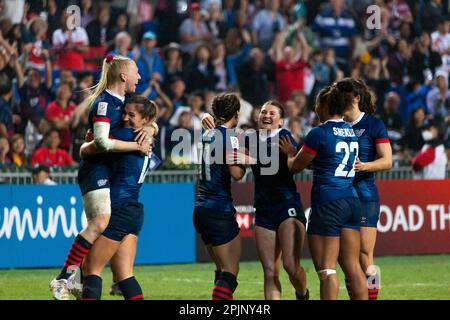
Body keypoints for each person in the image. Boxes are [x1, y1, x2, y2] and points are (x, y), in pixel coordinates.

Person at [49, 55, 150, 300]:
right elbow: (102, 142)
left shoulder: (124, 103)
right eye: (136, 71)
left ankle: (75, 280)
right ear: (123, 75)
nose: (139, 76)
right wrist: (136, 146)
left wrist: (151, 127)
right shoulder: (105, 103)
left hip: (108, 176)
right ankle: (64, 277)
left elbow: (145, 117)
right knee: (100, 223)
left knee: (106, 262)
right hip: (95, 171)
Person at [201, 101, 309, 300]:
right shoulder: (250, 138)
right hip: (264, 210)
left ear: (281, 121)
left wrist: (250, 158)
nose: (266, 115)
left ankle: (302, 294)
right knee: (269, 271)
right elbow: (232, 149)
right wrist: (209, 121)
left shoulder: (284, 136)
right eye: (263, 112)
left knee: (291, 266)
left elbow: (279, 161)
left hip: (287, 205)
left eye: (272, 113)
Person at [280, 83, 368, 300]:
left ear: (325, 106)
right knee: (353, 266)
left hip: (328, 203)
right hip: (351, 201)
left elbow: (295, 167)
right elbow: (327, 161)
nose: (315, 108)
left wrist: (291, 154)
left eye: (317, 104)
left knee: (327, 270)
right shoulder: (350, 131)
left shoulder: (319, 133)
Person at [79, 96, 160, 300]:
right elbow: (154, 160)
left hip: (118, 210)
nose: (124, 118)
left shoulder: (124, 135)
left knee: (90, 268)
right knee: (124, 275)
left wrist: (88, 141)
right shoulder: (145, 140)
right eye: (124, 113)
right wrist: (152, 130)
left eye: (131, 115)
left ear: (145, 120)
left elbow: (95, 145)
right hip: (134, 212)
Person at [340, 78, 392, 300]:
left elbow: (387, 161)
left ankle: (371, 297)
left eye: (343, 93)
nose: (338, 97)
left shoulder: (373, 124)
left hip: (364, 194)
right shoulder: (336, 125)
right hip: (339, 196)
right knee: (345, 258)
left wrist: (364, 166)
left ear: (356, 97)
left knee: (364, 256)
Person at [193, 93, 246, 300]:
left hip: (201, 208)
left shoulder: (207, 133)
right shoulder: (229, 136)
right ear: (237, 113)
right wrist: (246, 159)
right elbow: (236, 174)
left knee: (221, 269)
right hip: (219, 208)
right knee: (230, 273)